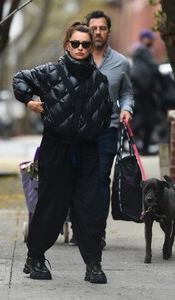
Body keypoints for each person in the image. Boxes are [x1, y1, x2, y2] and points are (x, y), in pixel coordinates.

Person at [12, 21, 113, 284]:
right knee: (51, 205)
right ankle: (35, 257)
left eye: (85, 44)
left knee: (89, 207)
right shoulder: (50, 72)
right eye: (75, 43)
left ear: (92, 47)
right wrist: (30, 102)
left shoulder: (100, 81)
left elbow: (106, 113)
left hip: (87, 151)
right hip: (56, 147)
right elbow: (19, 79)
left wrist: (92, 130)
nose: (80, 48)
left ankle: (93, 264)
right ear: (67, 44)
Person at [84, 10, 134, 248]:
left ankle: (97, 232)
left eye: (102, 28)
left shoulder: (121, 62)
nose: (97, 32)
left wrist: (127, 109)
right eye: (93, 28)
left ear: (108, 31)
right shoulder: (76, 56)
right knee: (80, 178)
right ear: (87, 30)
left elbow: (126, 93)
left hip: (108, 128)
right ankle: (79, 226)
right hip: (79, 130)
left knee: (101, 179)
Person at [130, 29, 160, 155]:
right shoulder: (141, 51)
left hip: (145, 92)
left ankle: (144, 148)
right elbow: (153, 66)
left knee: (148, 121)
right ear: (144, 39)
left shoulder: (146, 52)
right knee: (145, 121)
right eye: (150, 38)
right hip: (141, 92)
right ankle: (131, 139)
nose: (152, 41)